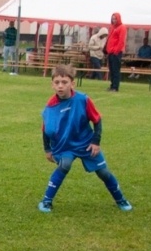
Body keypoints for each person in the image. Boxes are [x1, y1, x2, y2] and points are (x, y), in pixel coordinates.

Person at [39, 64, 131, 213]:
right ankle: (46, 201)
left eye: (64, 82)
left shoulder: (83, 100)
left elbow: (97, 120)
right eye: (57, 82)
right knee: (64, 165)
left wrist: (96, 142)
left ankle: (120, 199)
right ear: (52, 85)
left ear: (72, 84)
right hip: (65, 145)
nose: (60, 86)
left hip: (86, 143)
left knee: (103, 172)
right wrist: (47, 149)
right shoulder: (50, 106)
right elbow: (46, 130)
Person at [103, 12, 127, 92]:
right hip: (110, 52)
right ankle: (112, 85)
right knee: (112, 70)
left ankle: (115, 87)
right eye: (113, 19)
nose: (114, 20)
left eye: (115, 19)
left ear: (118, 19)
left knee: (116, 70)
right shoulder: (112, 27)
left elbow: (121, 41)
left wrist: (116, 51)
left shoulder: (122, 27)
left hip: (116, 52)